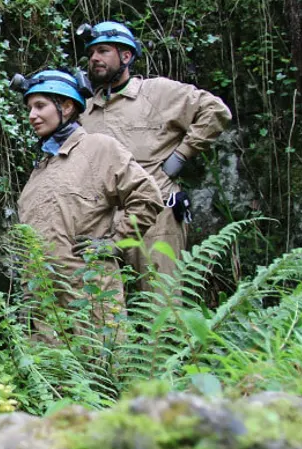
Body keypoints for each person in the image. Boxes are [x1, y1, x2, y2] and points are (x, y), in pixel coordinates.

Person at [78, 21, 232, 289]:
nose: (94, 59)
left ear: (126, 56)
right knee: (103, 312)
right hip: (103, 222)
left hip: (157, 216)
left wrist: (180, 157)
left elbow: (215, 111)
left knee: (161, 305)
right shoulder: (86, 111)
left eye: (103, 51)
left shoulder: (157, 93)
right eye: (91, 54)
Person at [15, 69, 164, 338]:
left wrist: (115, 242)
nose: (31, 115)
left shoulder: (99, 148)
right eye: (29, 108)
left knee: (104, 374)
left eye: (40, 106)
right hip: (46, 310)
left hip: (92, 299)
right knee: (57, 379)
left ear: (68, 106)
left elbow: (147, 196)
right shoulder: (40, 170)